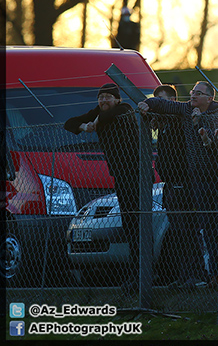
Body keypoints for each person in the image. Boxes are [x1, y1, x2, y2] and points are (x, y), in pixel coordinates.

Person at [138, 81, 218, 288]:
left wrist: (203, 131)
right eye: (192, 92)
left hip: (215, 177)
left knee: (214, 228)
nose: (193, 95)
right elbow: (166, 106)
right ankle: (209, 276)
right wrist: (148, 103)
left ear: (209, 98)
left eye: (198, 93)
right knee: (202, 227)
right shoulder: (187, 110)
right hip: (196, 177)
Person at [64, 83, 146, 293]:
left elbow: (112, 115)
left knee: (137, 224)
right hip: (120, 176)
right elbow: (69, 123)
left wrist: (96, 122)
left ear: (117, 99)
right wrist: (84, 126)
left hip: (135, 174)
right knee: (130, 226)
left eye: (109, 97)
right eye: (101, 98)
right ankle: (134, 275)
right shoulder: (99, 111)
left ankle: (141, 275)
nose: (104, 101)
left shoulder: (124, 109)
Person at [151, 85, 205, 289]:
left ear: (173, 101)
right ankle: (184, 276)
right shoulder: (163, 125)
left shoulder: (180, 120)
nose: (159, 106)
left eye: (163, 101)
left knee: (189, 230)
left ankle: (197, 274)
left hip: (184, 183)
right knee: (178, 232)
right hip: (170, 185)